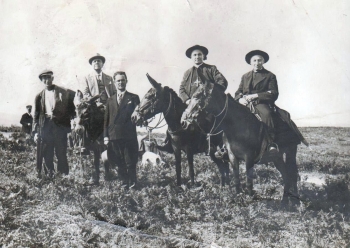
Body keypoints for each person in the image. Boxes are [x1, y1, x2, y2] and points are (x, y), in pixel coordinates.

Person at [32, 70, 75, 178]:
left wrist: (71, 123)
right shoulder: (39, 96)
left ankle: (63, 176)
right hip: (45, 127)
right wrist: (35, 132)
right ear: (42, 80)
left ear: (52, 78)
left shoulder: (63, 92)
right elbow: (36, 116)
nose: (47, 80)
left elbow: (71, 108)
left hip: (60, 127)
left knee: (61, 152)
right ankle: (49, 175)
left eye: (49, 77)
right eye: (44, 78)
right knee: (47, 152)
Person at [235, 50, 279, 152]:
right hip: (245, 104)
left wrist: (256, 95)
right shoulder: (245, 76)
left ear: (263, 61)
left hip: (261, 103)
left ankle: (271, 143)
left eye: (259, 60)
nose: (257, 63)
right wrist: (240, 99)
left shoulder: (270, 76)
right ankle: (227, 145)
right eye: (254, 60)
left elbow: (274, 93)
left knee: (267, 114)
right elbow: (238, 91)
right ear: (250, 62)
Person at [104, 71, 140, 188]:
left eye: (122, 80)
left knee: (130, 160)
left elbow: (139, 115)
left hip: (128, 135)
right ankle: (124, 182)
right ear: (114, 83)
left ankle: (133, 183)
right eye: (118, 80)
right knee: (119, 161)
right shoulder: (110, 100)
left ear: (126, 81)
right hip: (114, 135)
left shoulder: (134, 98)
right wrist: (105, 136)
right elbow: (106, 119)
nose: (120, 82)